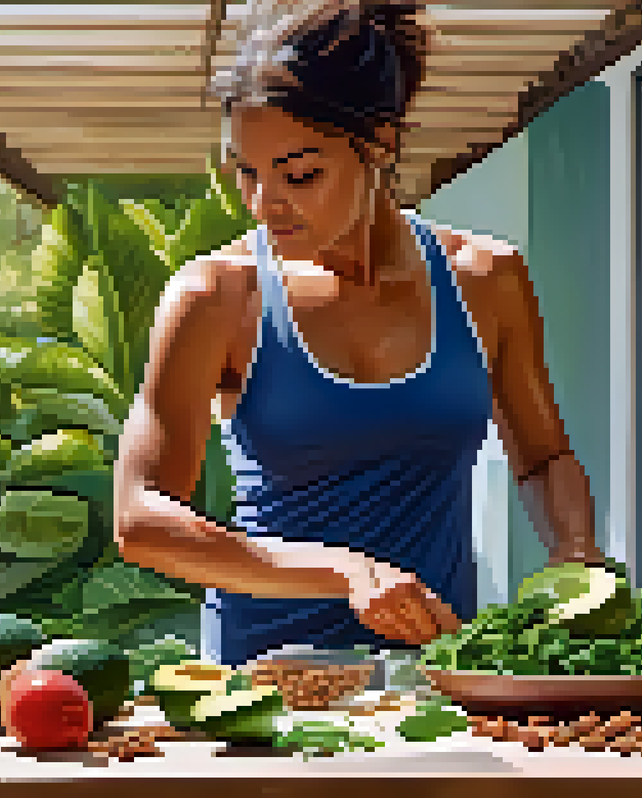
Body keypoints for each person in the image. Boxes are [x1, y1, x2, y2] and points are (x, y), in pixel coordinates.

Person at [112, 0, 605, 668]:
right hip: (266, 684)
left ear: (379, 142)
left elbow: (544, 460)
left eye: (300, 172)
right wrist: (342, 570)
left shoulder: (485, 280)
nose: (265, 204)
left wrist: (575, 552)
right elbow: (141, 518)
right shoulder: (216, 296)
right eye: (246, 172)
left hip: (432, 675)